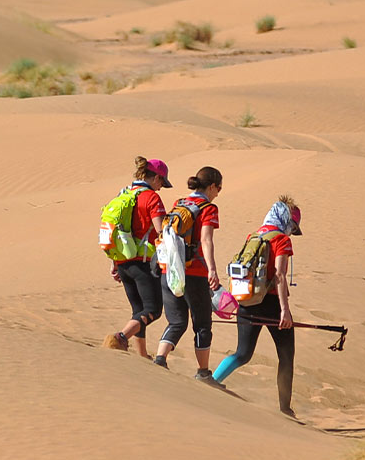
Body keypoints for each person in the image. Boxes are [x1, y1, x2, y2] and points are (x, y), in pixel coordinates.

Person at [212, 196, 302, 416]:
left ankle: (210, 381)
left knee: (243, 353)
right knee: (286, 355)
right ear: (287, 221)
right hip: (270, 303)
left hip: (247, 301)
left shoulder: (253, 235)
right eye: (293, 226)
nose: (292, 231)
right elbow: (279, 276)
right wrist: (284, 310)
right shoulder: (281, 240)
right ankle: (285, 408)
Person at [155, 165, 222, 380]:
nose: (218, 193)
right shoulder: (208, 208)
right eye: (218, 188)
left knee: (176, 322)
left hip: (168, 269)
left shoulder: (179, 203)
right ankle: (203, 373)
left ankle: (159, 361)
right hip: (194, 273)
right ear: (211, 186)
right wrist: (212, 269)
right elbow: (206, 239)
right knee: (202, 324)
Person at [103, 156, 170, 359]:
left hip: (123, 261)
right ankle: (120, 338)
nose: (160, 188)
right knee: (153, 310)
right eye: (161, 183)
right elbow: (160, 231)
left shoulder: (124, 194)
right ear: (156, 177)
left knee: (139, 310)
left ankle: (142, 355)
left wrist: (115, 262)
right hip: (143, 263)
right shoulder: (151, 198)